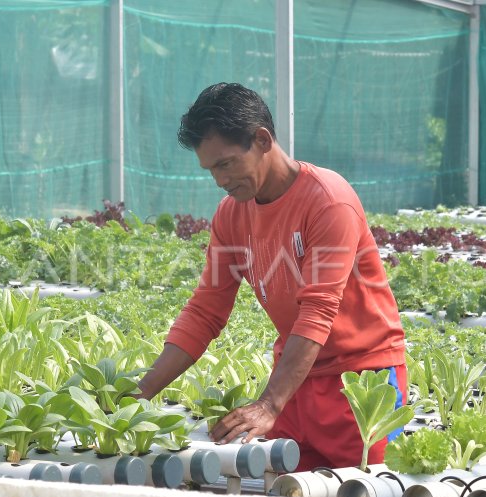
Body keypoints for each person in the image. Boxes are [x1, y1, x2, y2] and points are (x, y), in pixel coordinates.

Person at [136, 82, 406, 471]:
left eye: (226, 164)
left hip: (363, 386)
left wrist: (268, 404)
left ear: (262, 140)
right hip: (296, 384)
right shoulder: (231, 215)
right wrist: (137, 395)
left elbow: (318, 310)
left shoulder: (328, 201)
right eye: (210, 169)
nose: (219, 180)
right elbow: (206, 311)